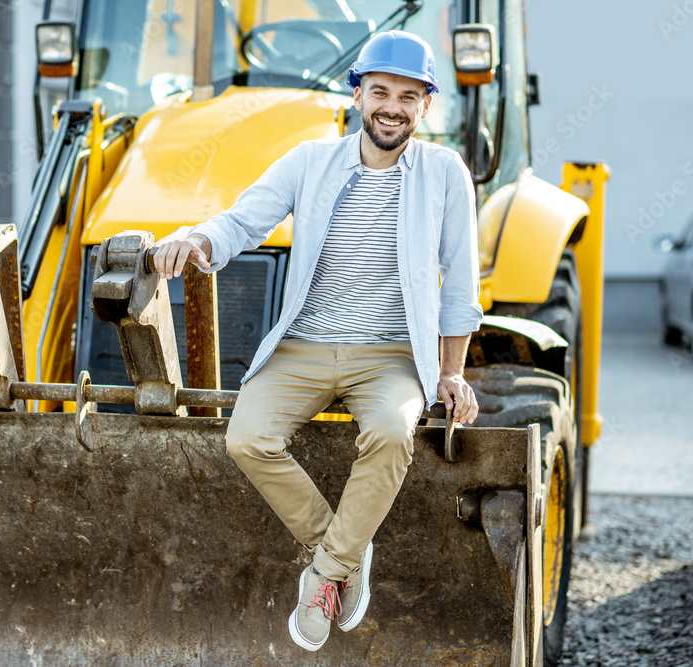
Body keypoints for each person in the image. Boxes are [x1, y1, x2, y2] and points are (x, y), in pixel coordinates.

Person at [153, 30, 482, 652]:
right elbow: (242, 221)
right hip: (302, 344)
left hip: (388, 355)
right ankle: (346, 550)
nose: (393, 106)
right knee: (248, 439)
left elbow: (461, 283)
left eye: (408, 96)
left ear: (426, 106)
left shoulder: (444, 173)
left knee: (391, 432)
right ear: (358, 95)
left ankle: (325, 576)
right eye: (380, 91)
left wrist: (450, 372)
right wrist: (195, 241)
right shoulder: (309, 160)